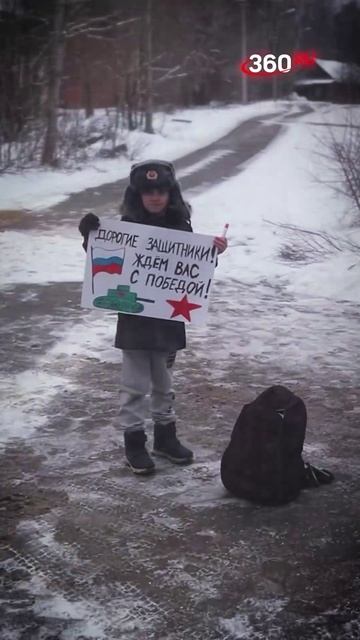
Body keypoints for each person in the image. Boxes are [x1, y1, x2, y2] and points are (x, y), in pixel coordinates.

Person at [79, 160, 227, 475]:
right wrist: (89, 235)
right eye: (148, 192)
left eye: (161, 190)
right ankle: (134, 441)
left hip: (168, 320)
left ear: (170, 193)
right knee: (134, 384)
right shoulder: (126, 227)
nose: (155, 197)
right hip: (134, 319)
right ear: (138, 196)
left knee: (164, 382)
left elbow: (192, 270)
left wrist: (213, 251)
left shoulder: (181, 226)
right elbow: (104, 260)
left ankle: (165, 438)